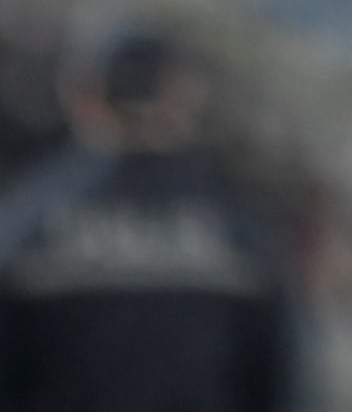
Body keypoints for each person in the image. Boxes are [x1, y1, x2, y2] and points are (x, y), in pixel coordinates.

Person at [0, 25, 293, 412]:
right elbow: (275, 382)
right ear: (181, 96)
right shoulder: (237, 228)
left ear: (82, 95)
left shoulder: (29, 223)